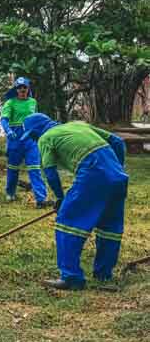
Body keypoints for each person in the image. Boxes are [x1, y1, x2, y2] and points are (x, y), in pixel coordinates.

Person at [21, 114, 128, 290]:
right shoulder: (78, 125)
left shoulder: (46, 138)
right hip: (118, 178)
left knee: (67, 222)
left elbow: (50, 172)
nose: (33, 140)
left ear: (37, 130)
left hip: (93, 174)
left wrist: (60, 198)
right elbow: (117, 141)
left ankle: (71, 277)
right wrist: (117, 168)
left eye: (32, 135)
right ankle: (103, 274)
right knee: (109, 227)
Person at [0, 77, 49, 206]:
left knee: (34, 168)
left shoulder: (33, 102)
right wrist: (8, 131)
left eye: (24, 87)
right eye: (19, 87)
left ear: (28, 89)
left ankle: (41, 198)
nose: (22, 89)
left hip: (31, 139)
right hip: (15, 139)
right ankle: (10, 192)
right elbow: (4, 120)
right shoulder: (10, 103)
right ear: (16, 89)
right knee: (13, 168)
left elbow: (36, 118)